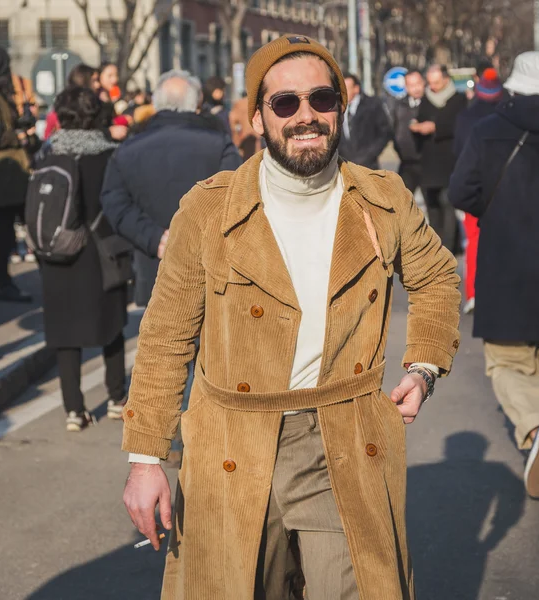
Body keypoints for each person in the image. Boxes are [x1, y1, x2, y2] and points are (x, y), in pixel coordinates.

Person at [121, 35, 461, 599]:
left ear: (339, 108)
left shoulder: (383, 199)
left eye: (321, 99)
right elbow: (165, 337)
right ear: (258, 117)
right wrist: (145, 459)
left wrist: (424, 365)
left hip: (343, 434)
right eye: (285, 103)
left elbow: (436, 276)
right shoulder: (209, 208)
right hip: (232, 438)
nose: (306, 116)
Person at [448, 51, 539, 500]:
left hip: (506, 263)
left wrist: (496, 212)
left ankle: (535, 426)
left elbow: (460, 191)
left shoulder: (488, 131)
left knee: (507, 362)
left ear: (513, 87)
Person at [101, 70, 241, 307]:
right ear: (197, 103)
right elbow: (236, 198)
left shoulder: (128, 150)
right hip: (211, 268)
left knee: (160, 339)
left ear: (156, 103)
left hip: (153, 266)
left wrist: (154, 237)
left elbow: (114, 202)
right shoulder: (218, 144)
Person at [39, 87, 128, 430]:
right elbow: (117, 204)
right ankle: (117, 397)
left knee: (66, 333)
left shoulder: (49, 153)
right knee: (112, 325)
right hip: (99, 250)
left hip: (57, 251)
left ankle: (74, 410)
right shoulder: (107, 154)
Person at [0, 45, 35, 303]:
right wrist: (18, 133)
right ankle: (4, 282)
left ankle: (5, 282)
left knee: (10, 227)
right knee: (8, 228)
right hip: (5, 174)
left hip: (11, 173)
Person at [453, 68, 504, 315]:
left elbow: (457, 153)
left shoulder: (465, 117)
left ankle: (473, 293)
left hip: (474, 189)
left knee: (473, 241)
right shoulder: (508, 116)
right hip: (504, 188)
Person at [411, 64, 467, 253]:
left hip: (448, 160)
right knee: (432, 205)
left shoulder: (458, 99)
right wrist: (417, 127)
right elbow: (419, 118)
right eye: (430, 82)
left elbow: (459, 125)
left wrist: (435, 127)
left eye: (436, 82)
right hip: (428, 160)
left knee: (447, 203)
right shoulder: (426, 99)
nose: (433, 86)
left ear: (445, 79)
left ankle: (449, 246)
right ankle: (436, 245)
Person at [338, 73, 392, 169]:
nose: (343, 92)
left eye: (346, 88)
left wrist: (370, 154)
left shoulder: (372, 105)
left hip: (368, 165)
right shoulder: (336, 108)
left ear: (356, 89)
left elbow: (384, 133)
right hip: (344, 166)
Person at [393, 70, 425, 193]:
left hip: (428, 163)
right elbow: (395, 131)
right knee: (401, 203)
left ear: (423, 83)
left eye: (418, 84)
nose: (416, 88)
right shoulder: (399, 106)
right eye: (411, 85)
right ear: (406, 87)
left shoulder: (430, 104)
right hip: (407, 163)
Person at [229, 93, 263, 161]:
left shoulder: (239, 103)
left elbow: (233, 121)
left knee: (244, 161)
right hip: (256, 135)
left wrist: (237, 135)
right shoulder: (257, 103)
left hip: (243, 137)